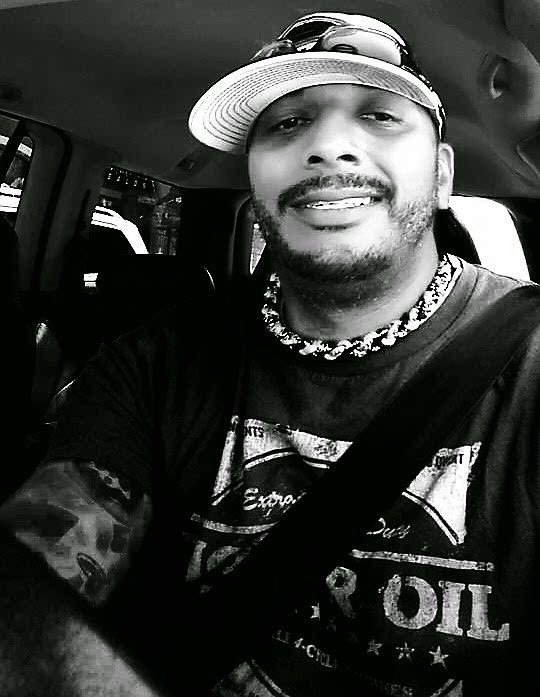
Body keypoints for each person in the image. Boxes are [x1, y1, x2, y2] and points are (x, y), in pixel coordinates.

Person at [0, 11, 538, 697]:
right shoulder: (156, 363)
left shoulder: (528, 358)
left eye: (379, 115)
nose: (328, 146)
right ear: (255, 181)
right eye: (287, 124)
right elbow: (34, 571)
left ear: (440, 175)